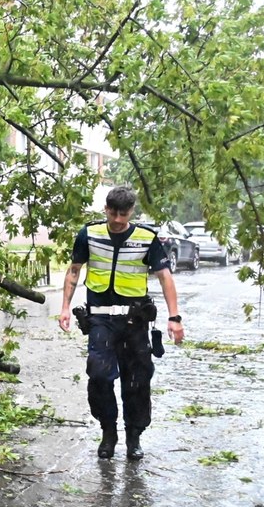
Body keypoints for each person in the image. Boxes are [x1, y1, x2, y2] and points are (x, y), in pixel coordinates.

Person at [58, 186, 184, 461]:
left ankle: (133, 436)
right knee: (100, 376)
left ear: (131, 212)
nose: (117, 220)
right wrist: (65, 307)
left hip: (134, 321)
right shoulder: (89, 234)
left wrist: (174, 318)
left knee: (137, 380)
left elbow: (165, 277)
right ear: (105, 209)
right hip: (101, 319)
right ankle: (108, 432)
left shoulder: (146, 238)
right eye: (113, 213)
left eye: (123, 214)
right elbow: (74, 270)